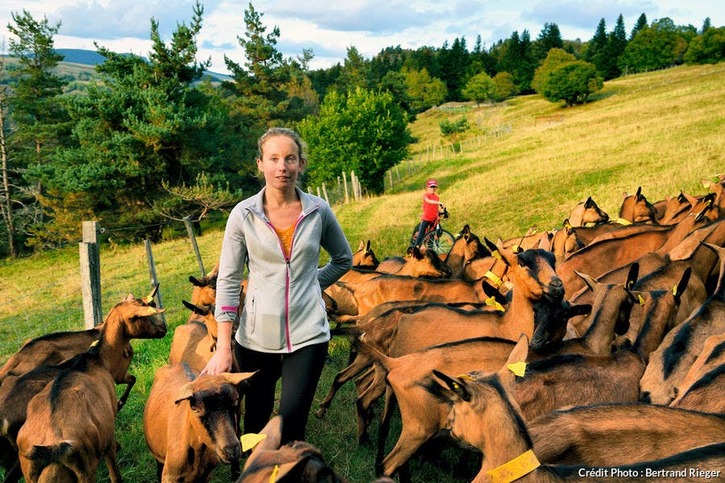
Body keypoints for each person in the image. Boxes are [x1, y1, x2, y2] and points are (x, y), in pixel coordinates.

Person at [200, 127, 353, 444]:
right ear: (260, 164)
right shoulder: (243, 215)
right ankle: (252, 473)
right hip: (255, 337)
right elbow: (228, 281)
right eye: (274, 158)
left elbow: (342, 259)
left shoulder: (318, 210)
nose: (282, 166)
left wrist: (309, 285)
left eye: (290, 158)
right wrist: (224, 347)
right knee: (255, 420)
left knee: (292, 422)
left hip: (309, 333)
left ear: (301, 164)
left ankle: (286, 472)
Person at [409, 178, 445, 251]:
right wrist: (438, 203)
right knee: (421, 233)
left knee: (433, 234)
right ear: (427, 188)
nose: (432, 188)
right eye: (431, 187)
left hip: (434, 219)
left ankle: (431, 249)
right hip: (427, 218)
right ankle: (415, 248)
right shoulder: (426, 195)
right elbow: (429, 201)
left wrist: (442, 211)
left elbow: (435, 208)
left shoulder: (437, 197)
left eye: (434, 187)